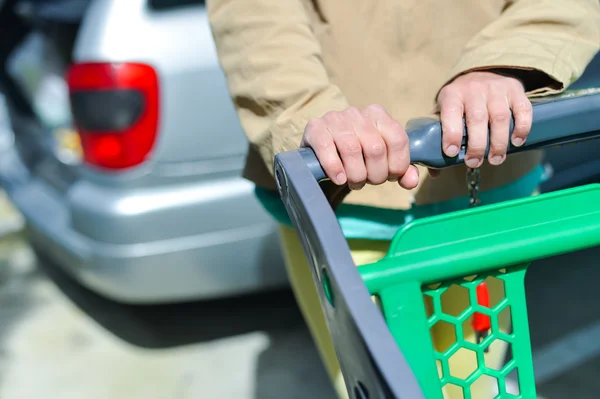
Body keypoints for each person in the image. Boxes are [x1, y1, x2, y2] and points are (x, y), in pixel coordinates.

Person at [207, 0, 600, 397]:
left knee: (474, 387)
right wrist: (303, 111)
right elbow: (253, 13)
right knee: (375, 388)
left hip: (485, 188)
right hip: (339, 196)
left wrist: (506, 62)